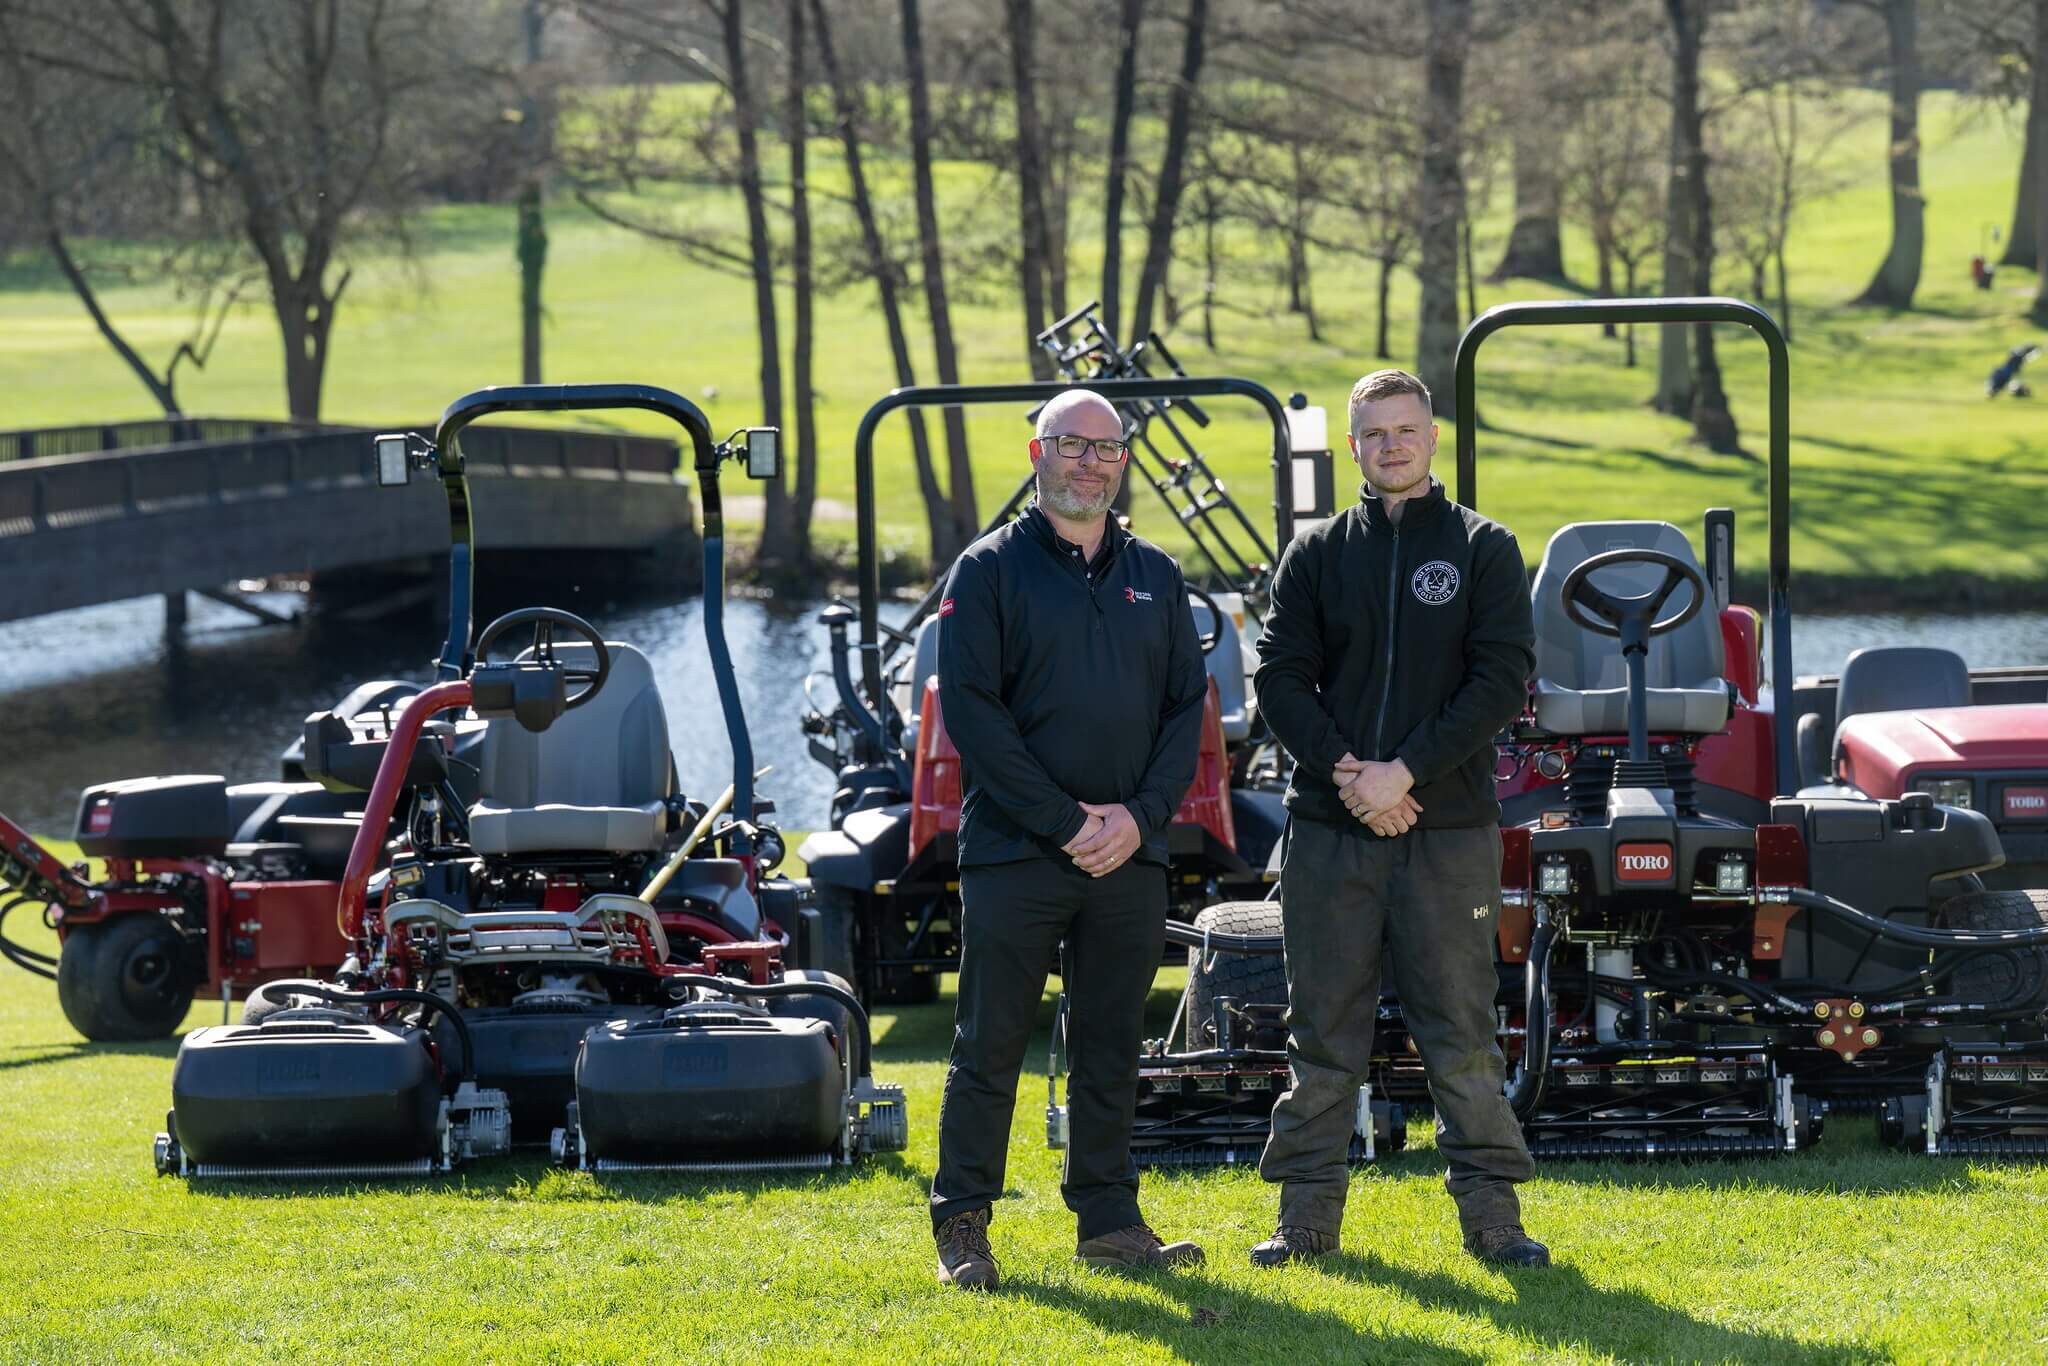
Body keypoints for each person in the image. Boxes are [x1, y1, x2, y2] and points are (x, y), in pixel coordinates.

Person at [1248, 368, 1549, 1269]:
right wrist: (1351, 775)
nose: (1391, 446)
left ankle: (1493, 1221)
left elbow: (1497, 682)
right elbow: (1279, 678)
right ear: (1352, 447)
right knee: (1321, 1029)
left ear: (1430, 438)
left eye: (1406, 430)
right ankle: (1305, 1222)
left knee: (1461, 1028)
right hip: (1331, 831)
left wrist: (1406, 771)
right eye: (1373, 433)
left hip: (1448, 831)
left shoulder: (1483, 549)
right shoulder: (1315, 556)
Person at [927, 389, 1210, 1290]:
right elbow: (975, 715)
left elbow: (1183, 712)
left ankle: (1109, 1221)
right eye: (1073, 445)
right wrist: (1064, 821)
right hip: (1018, 852)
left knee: (1112, 1044)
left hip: (1132, 853)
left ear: (1123, 462)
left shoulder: (1158, 575)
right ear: (1036, 453)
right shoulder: (988, 570)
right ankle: (964, 1225)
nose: (1091, 462)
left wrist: (1137, 818)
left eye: (1108, 448)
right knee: (989, 1043)